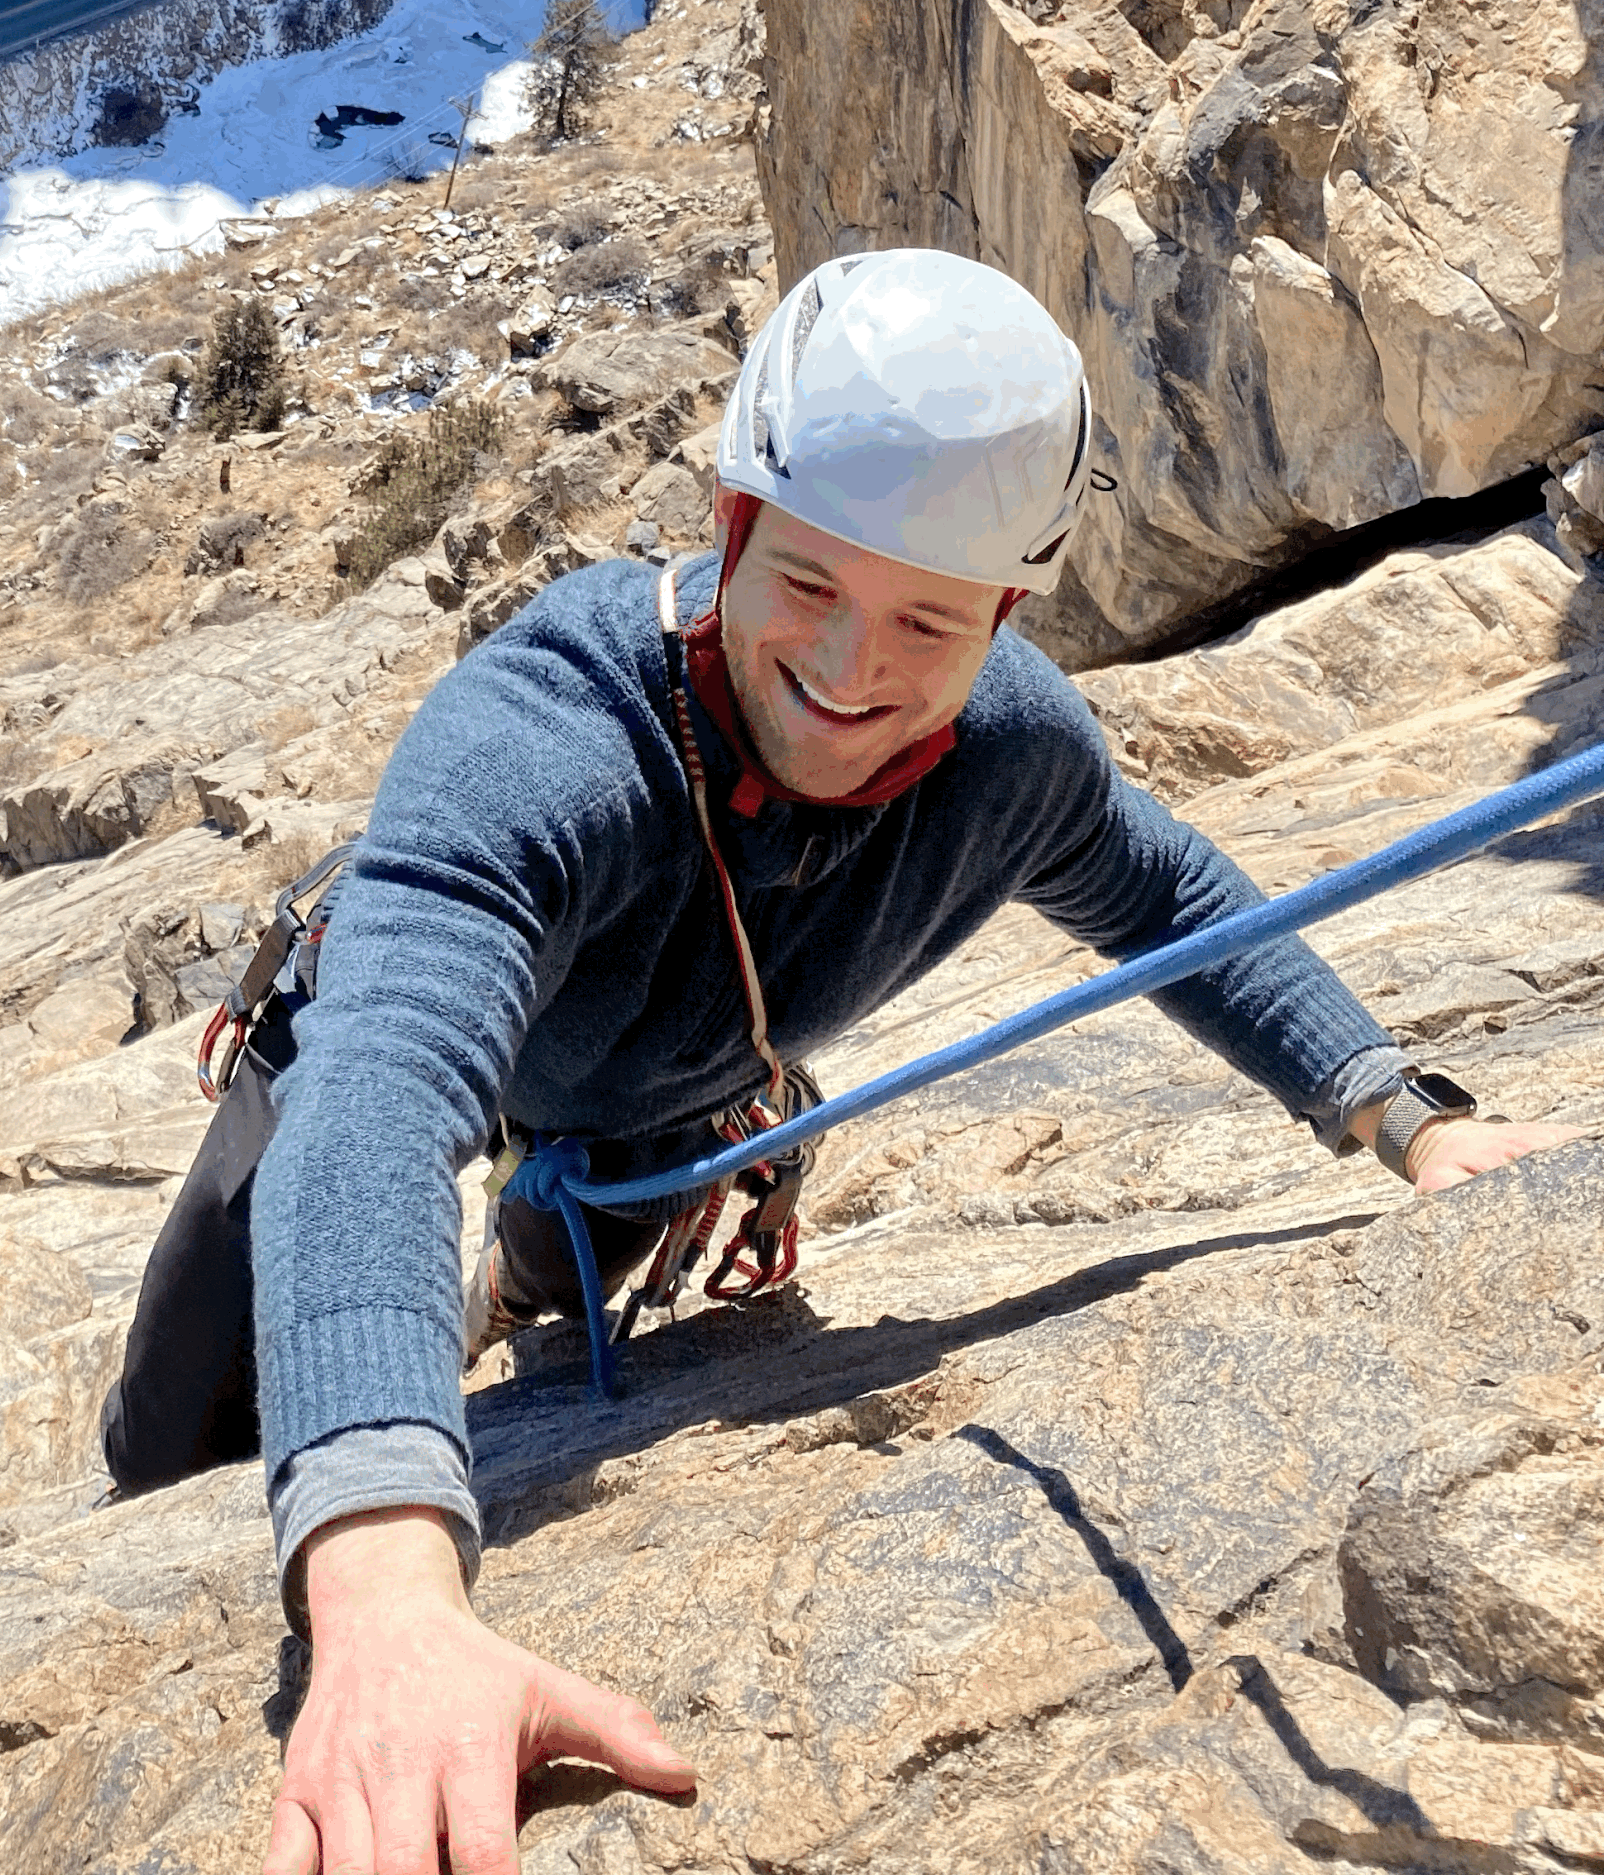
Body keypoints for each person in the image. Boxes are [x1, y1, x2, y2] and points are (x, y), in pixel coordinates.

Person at [96, 248, 1582, 1875]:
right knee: (170, 1444)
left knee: (570, 1224)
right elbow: (383, 1084)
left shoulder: (1012, 754)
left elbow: (1168, 895)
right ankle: (431, 1316)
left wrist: (1400, 1110)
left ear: (1008, 618)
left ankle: (514, 1274)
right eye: (806, 582)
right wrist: (381, 1592)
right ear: (730, 529)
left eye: (927, 618)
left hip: (653, 1097)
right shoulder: (547, 735)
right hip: (370, 1046)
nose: (854, 666)